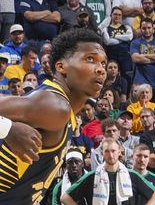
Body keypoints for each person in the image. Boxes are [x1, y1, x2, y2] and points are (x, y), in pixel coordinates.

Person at [0, 28, 107, 203]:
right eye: (90, 59)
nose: (101, 69)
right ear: (61, 66)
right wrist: (7, 128)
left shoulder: (64, 111)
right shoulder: (54, 105)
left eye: (103, 63)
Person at [61, 137, 155, 205]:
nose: (110, 155)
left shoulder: (131, 175)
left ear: (119, 152)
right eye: (107, 151)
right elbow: (65, 198)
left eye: (113, 151)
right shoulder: (91, 176)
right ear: (102, 153)